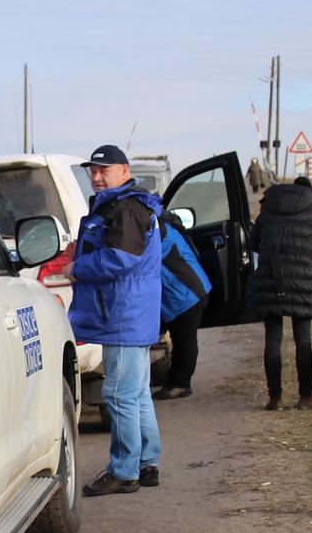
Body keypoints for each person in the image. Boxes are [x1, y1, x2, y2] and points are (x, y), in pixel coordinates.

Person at [68, 144, 163, 495]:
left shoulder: (126, 209)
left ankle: (124, 470)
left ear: (124, 171)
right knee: (136, 393)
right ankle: (147, 462)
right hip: (132, 313)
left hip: (123, 314)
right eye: (92, 170)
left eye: (103, 171)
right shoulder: (130, 206)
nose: (96, 177)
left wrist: (77, 268)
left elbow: (120, 258)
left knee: (120, 394)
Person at [250, 176, 312, 410]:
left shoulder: (269, 206)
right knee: (302, 340)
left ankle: (274, 398)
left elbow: (254, 242)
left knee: (272, 339)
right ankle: (306, 397)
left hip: (270, 277)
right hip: (301, 278)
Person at [152, 212, 211, 399]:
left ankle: (180, 384)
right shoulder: (161, 226)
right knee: (181, 339)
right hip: (184, 292)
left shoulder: (159, 232)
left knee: (184, 339)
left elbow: (143, 259)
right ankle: (176, 381)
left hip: (186, 294)